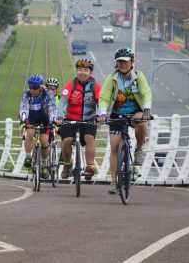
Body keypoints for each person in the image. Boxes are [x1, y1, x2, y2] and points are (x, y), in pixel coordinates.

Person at [98, 48, 152, 194]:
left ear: (132, 62)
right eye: (120, 61)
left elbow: (146, 92)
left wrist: (146, 109)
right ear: (116, 63)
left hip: (135, 112)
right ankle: (114, 182)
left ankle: (139, 149)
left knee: (141, 121)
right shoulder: (112, 78)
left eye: (125, 61)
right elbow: (104, 97)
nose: (122, 64)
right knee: (114, 146)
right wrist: (103, 113)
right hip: (117, 114)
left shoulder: (138, 76)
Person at [57, 58, 101, 180]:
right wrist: (60, 116)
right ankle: (67, 165)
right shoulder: (71, 85)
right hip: (70, 118)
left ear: (90, 72)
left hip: (89, 119)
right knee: (67, 141)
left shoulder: (95, 87)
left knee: (89, 138)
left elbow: (101, 103)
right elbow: (62, 102)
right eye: (80, 70)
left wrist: (101, 115)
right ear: (76, 71)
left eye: (85, 70)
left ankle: (90, 167)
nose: (82, 72)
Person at [19, 74, 56, 179]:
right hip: (31, 118)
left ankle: (44, 163)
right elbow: (23, 108)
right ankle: (28, 156)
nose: (32, 90)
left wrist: (53, 120)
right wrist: (24, 120)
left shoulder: (47, 94)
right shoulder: (26, 95)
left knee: (44, 141)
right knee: (30, 132)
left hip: (44, 117)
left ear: (40, 87)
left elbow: (52, 108)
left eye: (35, 87)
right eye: (30, 87)